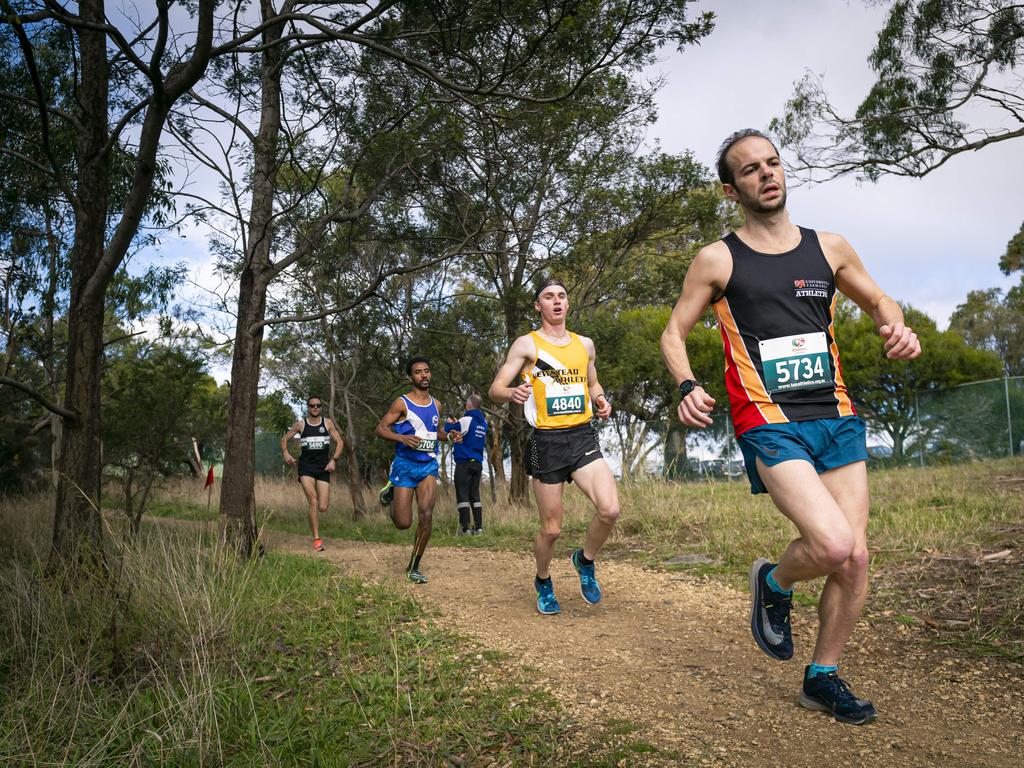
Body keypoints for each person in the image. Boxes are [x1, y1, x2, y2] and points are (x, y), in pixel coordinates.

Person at [660, 129, 921, 725]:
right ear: (731, 189)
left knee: (854, 559)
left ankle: (822, 676)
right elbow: (673, 333)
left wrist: (895, 327)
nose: (766, 174)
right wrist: (686, 384)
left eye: (772, 163)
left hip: (836, 416)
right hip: (767, 420)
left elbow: (881, 301)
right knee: (830, 544)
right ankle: (776, 582)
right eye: (750, 170)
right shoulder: (718, 259)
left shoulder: (829, 247)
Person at [488, 278, 619, 615]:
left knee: (609, 509)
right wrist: (511, 393)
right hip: (546, 442)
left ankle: (584, 560)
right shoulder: (526, 345)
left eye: (562, 296)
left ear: (567, 303)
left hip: (582, 436)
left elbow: (592, 382)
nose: (557, 302)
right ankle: (543, 580)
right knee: (552, 528)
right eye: (549, 297)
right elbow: (496, 389)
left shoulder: (584, 344)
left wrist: (600, 399)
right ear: (538, 306)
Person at [374, 357, 460, 583]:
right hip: (405, 465)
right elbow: (380, 429)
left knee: (427, 513)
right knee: (403, 523)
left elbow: (435, 432)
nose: (424, 375)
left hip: (428, 465)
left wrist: (449, 436)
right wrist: (400, 437)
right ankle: (392, 490)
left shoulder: (437, 404)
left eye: (427, 371)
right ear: (410, 377)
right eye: (418, 372)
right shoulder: (401, 403)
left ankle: (413, 566)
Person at [281, 396, 344, 551]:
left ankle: (315, 525)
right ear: (308, 408)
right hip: (306, 468)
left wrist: (333, 460)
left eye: (318, 405)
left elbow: (340, 442)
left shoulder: (327, 423)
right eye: (312, 405)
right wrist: (286, 453)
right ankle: (317, 539)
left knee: (323, 506)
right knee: (313, 501)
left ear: (321, 407)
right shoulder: (301, 424)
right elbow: (284, 439)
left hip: (323, 468)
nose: (315, 408)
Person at [444, 394, 489, 535]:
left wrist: (448, 422)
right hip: (477, 463)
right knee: (475, 496)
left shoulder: (466, 420)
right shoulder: (484, 423)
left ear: (469, 405)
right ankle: (479, 527)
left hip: (464, 463)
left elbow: (448, 429)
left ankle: (465, 529)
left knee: (462, 496)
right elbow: (468, 434)